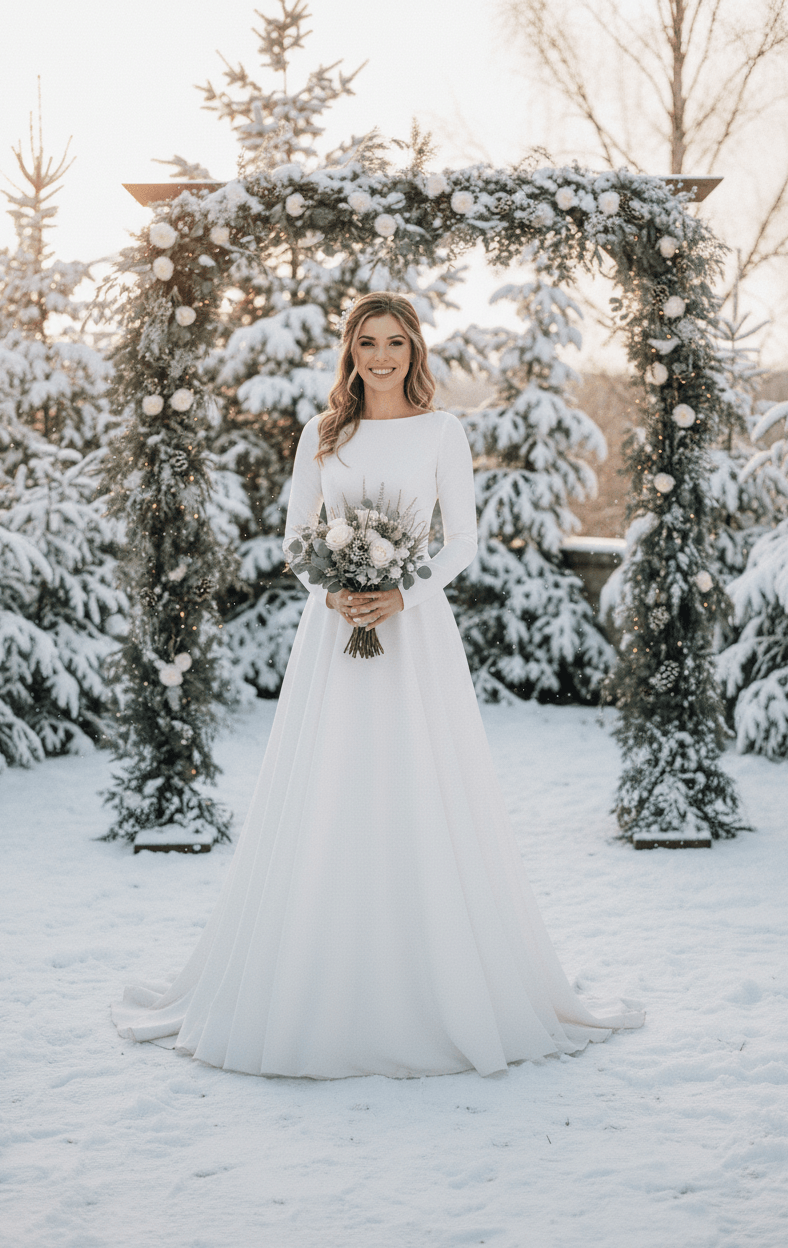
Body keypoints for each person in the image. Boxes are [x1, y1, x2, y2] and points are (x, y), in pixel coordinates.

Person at [112, 291, 643, 1078]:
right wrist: (332, 591)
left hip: (415, 634)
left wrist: (402, 593)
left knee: (419, 783)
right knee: (331, 784)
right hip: (332, 635)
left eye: (396, 341)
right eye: (368, 342)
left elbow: (460, 541)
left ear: (414, 350)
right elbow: (297, 540)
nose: (383, 355)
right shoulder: (323, 434)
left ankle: (433, 980)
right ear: (351, 352)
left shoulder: (442, 431)